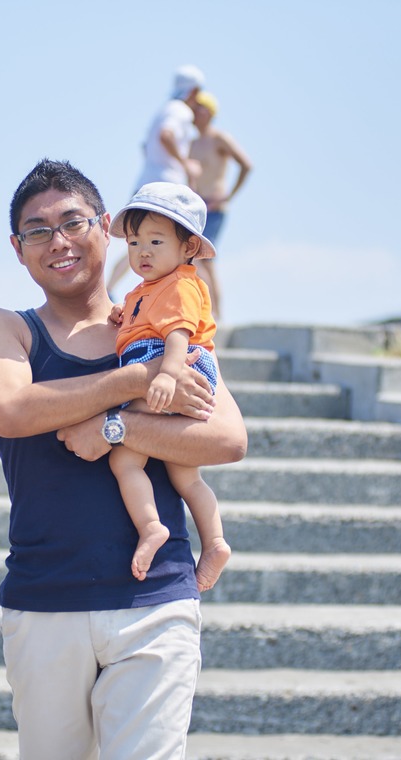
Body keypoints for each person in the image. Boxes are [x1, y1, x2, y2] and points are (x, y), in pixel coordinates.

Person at [0, 159, 247, 760]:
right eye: (37, 230)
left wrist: (115, 427)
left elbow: (227, 439)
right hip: (45, 601)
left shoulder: (161, 318)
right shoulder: (3, 328)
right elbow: (12, 411)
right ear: (18, 249)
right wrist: (141, 378)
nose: (59, 241)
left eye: (73, 222)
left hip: (157, 600)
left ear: (104, 229)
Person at [108, 182, 232, 592]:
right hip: (165, 361)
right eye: (134, 241)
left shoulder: (180, 283)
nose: (142, 251)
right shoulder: (145, 290)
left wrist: (166, 374)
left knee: (125, 459)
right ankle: (214, 542)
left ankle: (151, 528)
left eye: (156, 241)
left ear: (189, 248)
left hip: (174, 362)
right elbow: (139, 318)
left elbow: (178, 333)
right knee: (186, 476)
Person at [106, 64, 206, 300]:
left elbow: (146, 145)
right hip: (165, 189)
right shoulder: (181, 111)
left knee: (139, 242)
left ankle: (109, 289)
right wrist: (186, 164)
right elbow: (166, 135)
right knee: (178, 245)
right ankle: (187, 299)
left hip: (146, 184)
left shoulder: (164, 109)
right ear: (194, 92)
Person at [188, 90, 252, 320]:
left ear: (209, 111)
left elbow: (246, 165)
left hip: (215, 208)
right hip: (196, 209)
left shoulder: (219, 138)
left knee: (205, 257)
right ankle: (209, 311)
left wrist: (228, 196)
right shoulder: (191, 143)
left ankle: (217, 313)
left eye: (199, 108)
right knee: (194, 258)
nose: (194, 113)